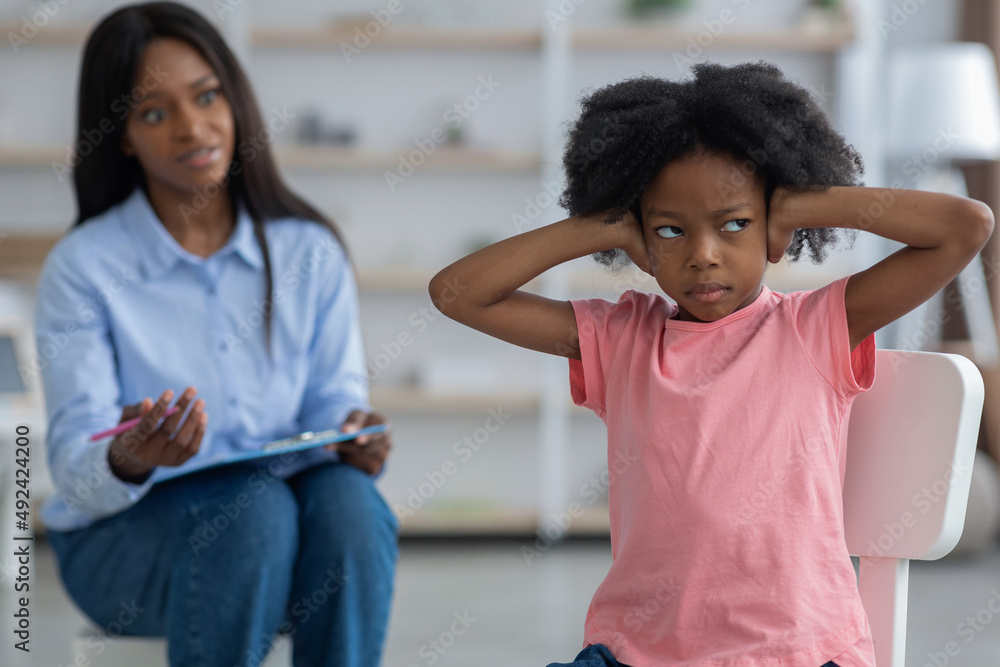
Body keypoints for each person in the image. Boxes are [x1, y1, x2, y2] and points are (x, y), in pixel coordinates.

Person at [429, 62, 995, 667]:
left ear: (774, 232)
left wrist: (795, 204)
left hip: (796, 652)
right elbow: (457, 292)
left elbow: (966, 227)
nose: (703, 255)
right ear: (642, 242)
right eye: (670, 230)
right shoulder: (620, 339)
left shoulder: (816, 327)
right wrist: (603, 226)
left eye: (734, 225)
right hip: (636, 652)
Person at [35, 3, 397, 666]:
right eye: (154, 112)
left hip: (286, 526)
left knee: (350, 502)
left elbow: (330, 402)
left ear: (234, 99)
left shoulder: (308, 252)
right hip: (127, 544)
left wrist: (356, 435)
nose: (193, 128)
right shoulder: (84, 267)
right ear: (120, 135)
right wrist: (133, 453)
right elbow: (72, 473)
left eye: (206, 97)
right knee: (254, 513)